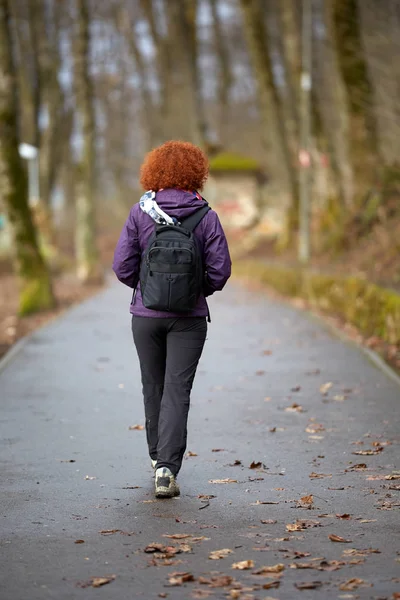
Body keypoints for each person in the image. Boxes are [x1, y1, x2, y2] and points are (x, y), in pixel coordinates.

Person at [113, 141, 231, 498]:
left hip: (145, 317)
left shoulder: (140, 212)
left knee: (154, 387)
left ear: (153, 172)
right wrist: (195, 291)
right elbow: (220, 271)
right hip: (189, 319)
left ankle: (155, 459)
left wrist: (149, 290)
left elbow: (121, 266)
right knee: (178, 390)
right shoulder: (206, 215)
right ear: (197, 174)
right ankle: (167, 468)